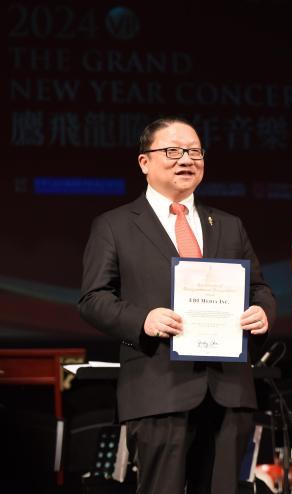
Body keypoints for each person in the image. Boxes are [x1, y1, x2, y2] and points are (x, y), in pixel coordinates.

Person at [79, 117, 276, 494]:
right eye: (172, 151)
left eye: (194, 151)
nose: (186, 159)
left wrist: (262, 312)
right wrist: (144, 320)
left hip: (228, 390)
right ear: (144, 162)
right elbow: (93, 298)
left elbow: (260, 289)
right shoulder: (114, 225)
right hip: (157, 388)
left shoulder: (229, 225)